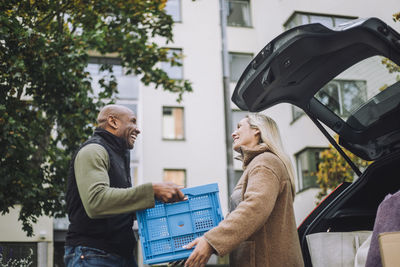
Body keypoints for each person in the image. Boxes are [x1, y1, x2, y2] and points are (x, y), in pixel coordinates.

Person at [64, 104, 185, 267]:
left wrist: (160, 198)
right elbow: (96, 202)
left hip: (121, 255)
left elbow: (120, 206)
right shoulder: (93, 150)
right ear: (113, 122)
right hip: (93, 254)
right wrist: (152, 190)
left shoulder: (118, 155)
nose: (138, 129)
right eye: (133, 122)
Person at [184, 113, 304, 267]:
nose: (234, 133)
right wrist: (201, 242)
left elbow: (254, 207)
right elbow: (239, 214)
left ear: (257, 131)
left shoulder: (265, 162)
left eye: (239, 126)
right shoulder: (256, 165)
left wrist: (211, 241)